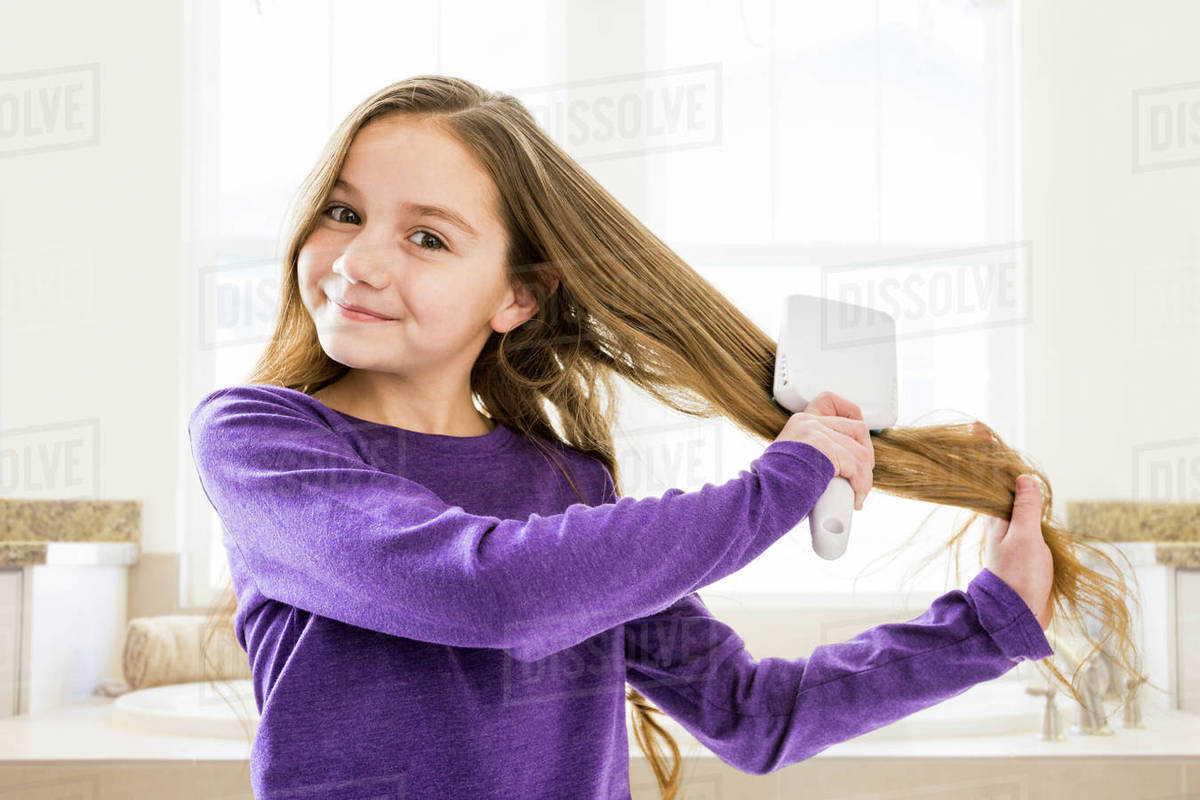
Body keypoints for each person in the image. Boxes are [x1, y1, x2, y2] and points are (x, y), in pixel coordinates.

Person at [188, 76, 1052, 800]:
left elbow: (751, 715)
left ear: (518, 297)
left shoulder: (568, 488)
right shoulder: (261, 441)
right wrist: (778, 486)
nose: (357, 262)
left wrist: (987, 625)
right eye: (342, 212)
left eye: (426, 237)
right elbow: (484, 591)